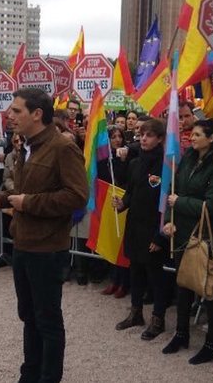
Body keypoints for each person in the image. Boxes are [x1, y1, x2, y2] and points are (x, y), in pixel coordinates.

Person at [0, 88, 88, 383]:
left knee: (48, 321)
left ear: (37, 114)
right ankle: (30, 374)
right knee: (29, 316)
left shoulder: (62, 147)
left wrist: (29, 203)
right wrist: (1, 199)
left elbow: (77, 196)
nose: (9, 116)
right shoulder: (26, 147)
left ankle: (48, 378)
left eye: (16, 111)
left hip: (48, 249)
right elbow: (24, 190)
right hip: (23, 243)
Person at [161, 119, 213, 365]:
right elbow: (174, 188)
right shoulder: (189, 158)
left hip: (208, 236)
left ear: (211, 137)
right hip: (184, 232)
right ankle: (181, 333)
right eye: (191, 134)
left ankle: (212, 344)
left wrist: (178, 203)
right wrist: (171, 219)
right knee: (183, 284)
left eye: (196, 134)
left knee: (209, 289)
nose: (191, 138)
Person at [113, 118, 169, 341]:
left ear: (160, 139)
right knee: (135, 270)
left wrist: (160, 235)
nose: (144, 138)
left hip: (153, 228)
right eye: (142, 134)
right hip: (134, 226)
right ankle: (136, 313)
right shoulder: (136, 163)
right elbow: (131, 191)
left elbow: (164, 203)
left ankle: (158, 319)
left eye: (150, 135)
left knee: (155, 276)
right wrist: (122, 204)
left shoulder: (166, 165)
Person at [97, 126, 130, 299]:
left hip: (123, 204)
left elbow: (125, 179)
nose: (117, 140)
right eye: (113, 137)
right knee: (111, 242)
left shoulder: (127, 157)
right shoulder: (104, 159)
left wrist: (123, 161)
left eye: (120, 136)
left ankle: (124, 283)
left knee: (122, 245)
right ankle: (113, 280)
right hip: (109, 204)